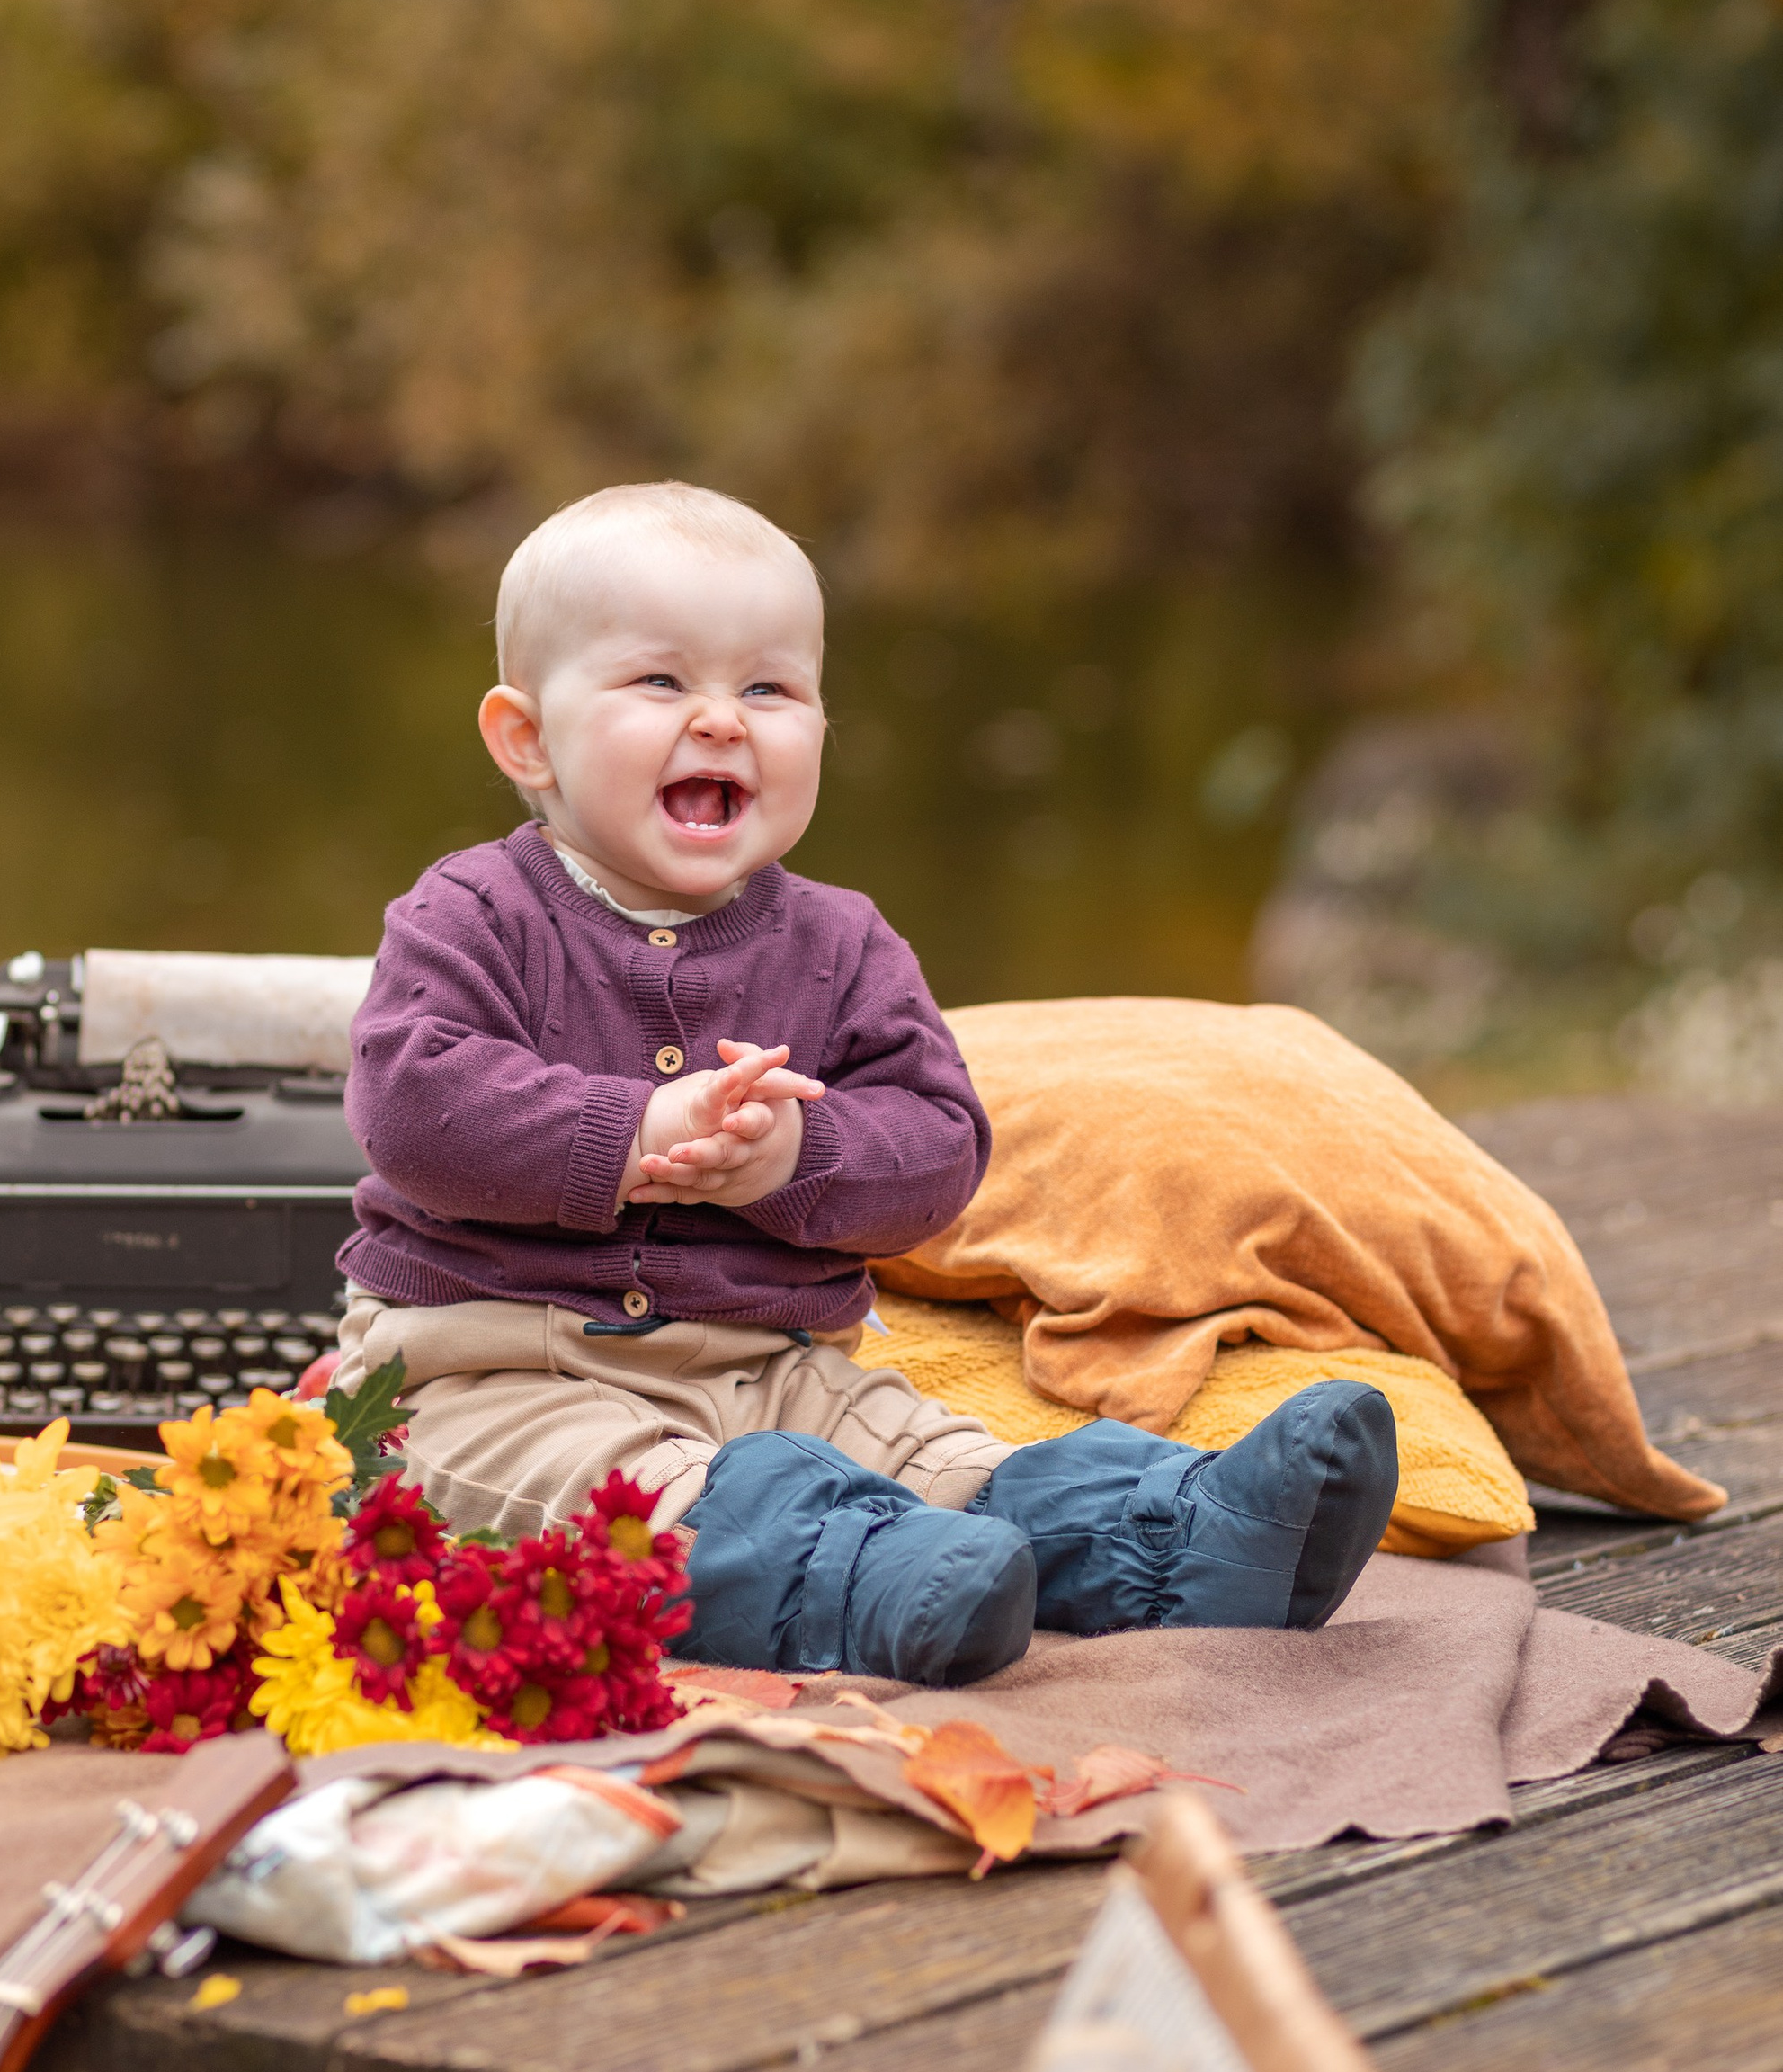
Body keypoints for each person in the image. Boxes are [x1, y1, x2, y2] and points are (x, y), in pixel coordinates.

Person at [327, 481, 1396, 1684]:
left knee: (941, 1454)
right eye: (664, 683)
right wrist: (636, 1129)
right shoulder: (473, 912)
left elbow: (939, 1143)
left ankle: (1189, 1535)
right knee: (669, 1510)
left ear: (824, 726)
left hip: (768, 1361)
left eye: (771, 688)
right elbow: (412, 1101)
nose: (726, 721)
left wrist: (794, 1162)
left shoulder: (843, 946)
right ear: (527, 737)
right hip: (499, 1372)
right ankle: (859, 1585)